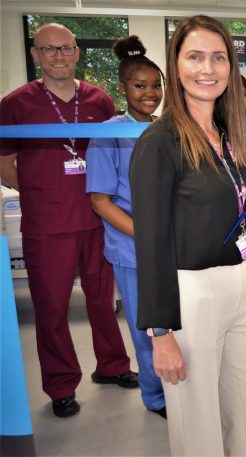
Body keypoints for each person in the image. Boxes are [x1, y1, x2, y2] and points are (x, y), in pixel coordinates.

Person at [129, 15, 246, 456]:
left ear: (231, 67)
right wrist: (160, 332)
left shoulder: (229, 138)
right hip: (191, 297)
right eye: (195, 56)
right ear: (176, 65)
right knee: (198, 425)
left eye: (218, 57)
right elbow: (150, 243)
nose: (207, 68)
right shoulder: (159, 142)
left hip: (243, 288)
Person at [0, 22, 137, 418]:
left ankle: (112, 365)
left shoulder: (99, 100)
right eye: (49, 50)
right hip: (47, 224)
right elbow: (5, 163)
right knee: (52, 306)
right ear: (35, 55)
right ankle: (61, 385)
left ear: (77, 53)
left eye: (65, 49)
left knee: (103, 301)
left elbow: (113, 155)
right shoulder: (15, 103)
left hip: (99, 218)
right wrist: (41, 192)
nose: (58, 57)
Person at [85, 35, 167, 418]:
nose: (150, 94)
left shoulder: (166, 129)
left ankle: (179, 388)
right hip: (132, 249)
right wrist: (148, 236)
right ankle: (156, 397)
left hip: (172, 248)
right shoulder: (107, 134)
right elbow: (100, 201)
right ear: (122, 88)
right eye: (140, 86)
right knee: (146, 329)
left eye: (156, 86)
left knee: (174, 325)